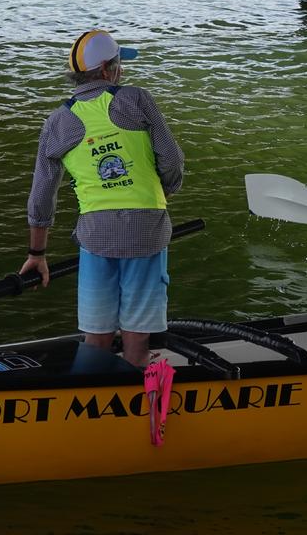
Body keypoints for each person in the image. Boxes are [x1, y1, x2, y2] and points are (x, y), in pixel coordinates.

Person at [19, 29, 185, 368]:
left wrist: (37, 252)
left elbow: (41, 195)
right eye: (120, 64)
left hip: (95, 234)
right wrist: (163, 191)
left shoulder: (57, 122)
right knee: (137, 339)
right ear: (109, 70)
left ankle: (90, 402)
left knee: (96, 338)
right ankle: (137, 390)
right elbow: (172, 160)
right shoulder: (136, 99)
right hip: (147, 227)